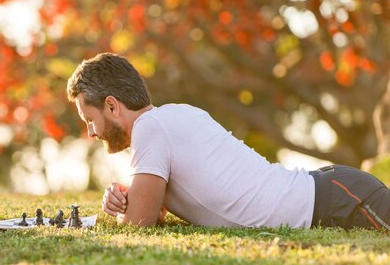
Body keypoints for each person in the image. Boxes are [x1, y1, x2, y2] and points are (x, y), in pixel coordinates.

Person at [67, 52, 390, 231]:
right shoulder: (170, 117)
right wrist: (127, 196)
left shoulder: (150, 128)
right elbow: (156, 210)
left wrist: (128, 208)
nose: (91, 133)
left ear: (112, 105)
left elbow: (139, 223)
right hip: (333, 192)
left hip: (337, 201)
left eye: (90, 120)